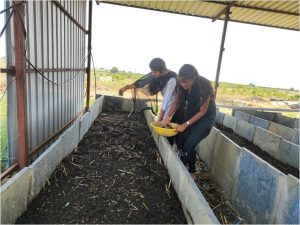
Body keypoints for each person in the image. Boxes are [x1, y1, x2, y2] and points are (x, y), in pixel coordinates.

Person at [165, 64, 216, 180]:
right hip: (193, 110)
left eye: (186, 82)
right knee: (184, 140)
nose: (183, 84)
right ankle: (192, 172)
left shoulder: (205, 87)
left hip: (206, 115)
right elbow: (177, 102)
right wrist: (168, 116)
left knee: (191, 141)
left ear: (194, 78)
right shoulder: (180, 84)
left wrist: (185, 124)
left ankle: (177, 174)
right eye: (181, 82)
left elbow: (203, 112)